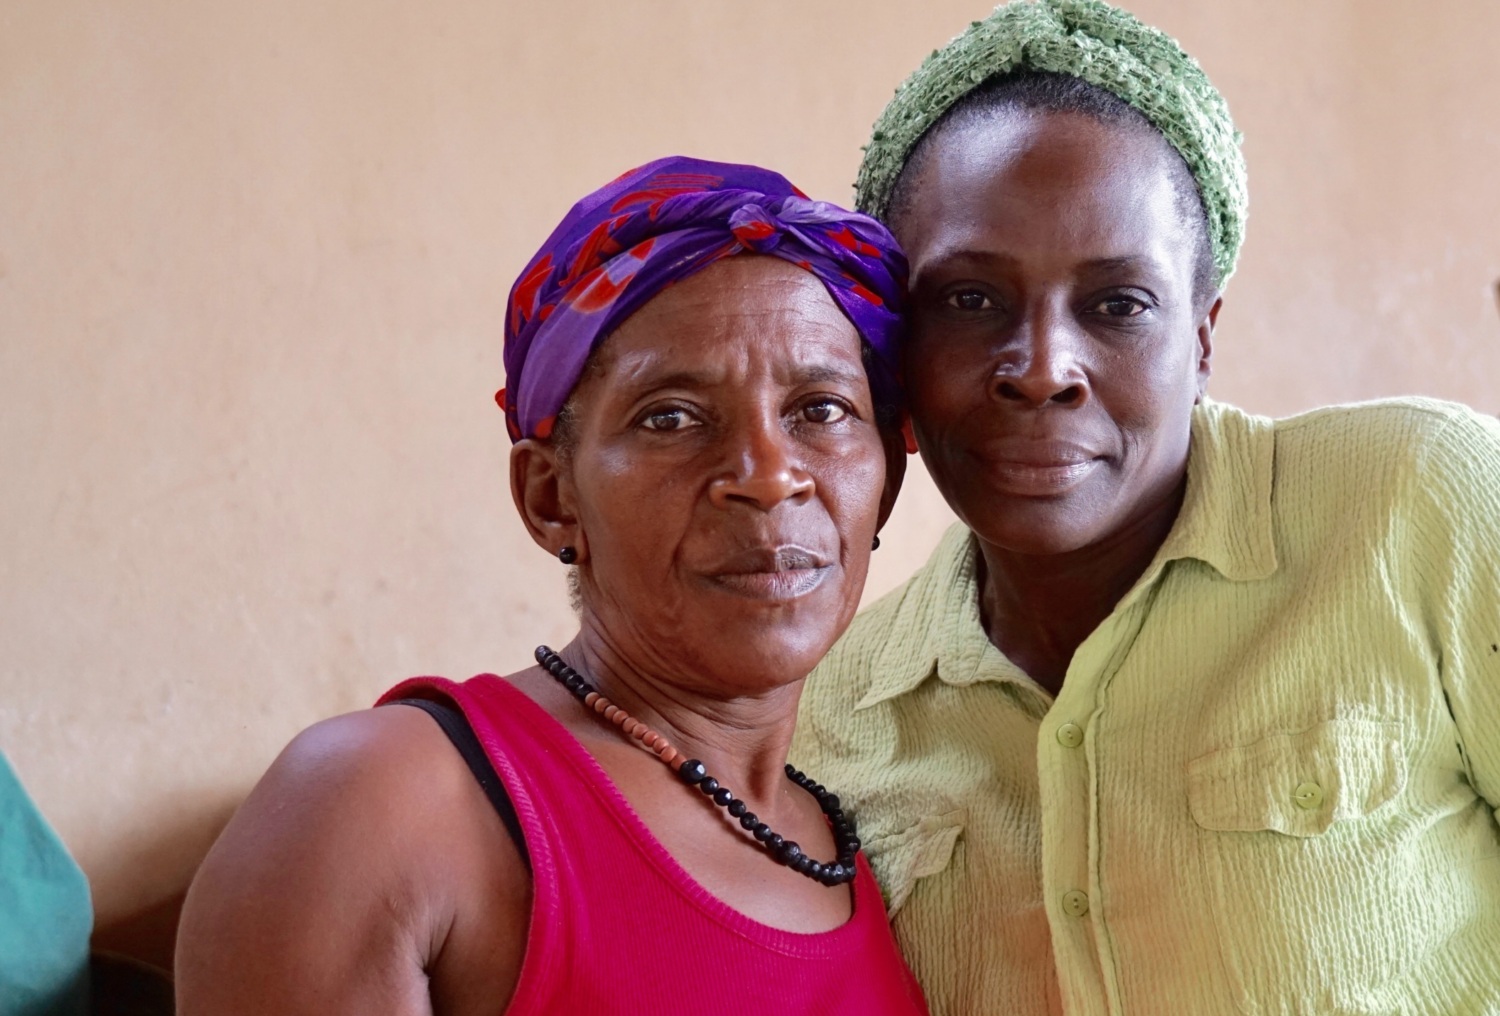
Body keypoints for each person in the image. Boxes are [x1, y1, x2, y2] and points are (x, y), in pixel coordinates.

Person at [791, 1, 1500, 1013]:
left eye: (1118, 303)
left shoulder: (1418, 504)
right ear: (895, 350)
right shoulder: (832, 715)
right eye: (970, 300)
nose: (1042, 370)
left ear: (1203, 339)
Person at [175, 157, 929, 1015]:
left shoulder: (878, 843)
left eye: (821, 409)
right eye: (671, 417)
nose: (766, 475)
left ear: (886, 488)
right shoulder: (390, 808)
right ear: (551, 497)